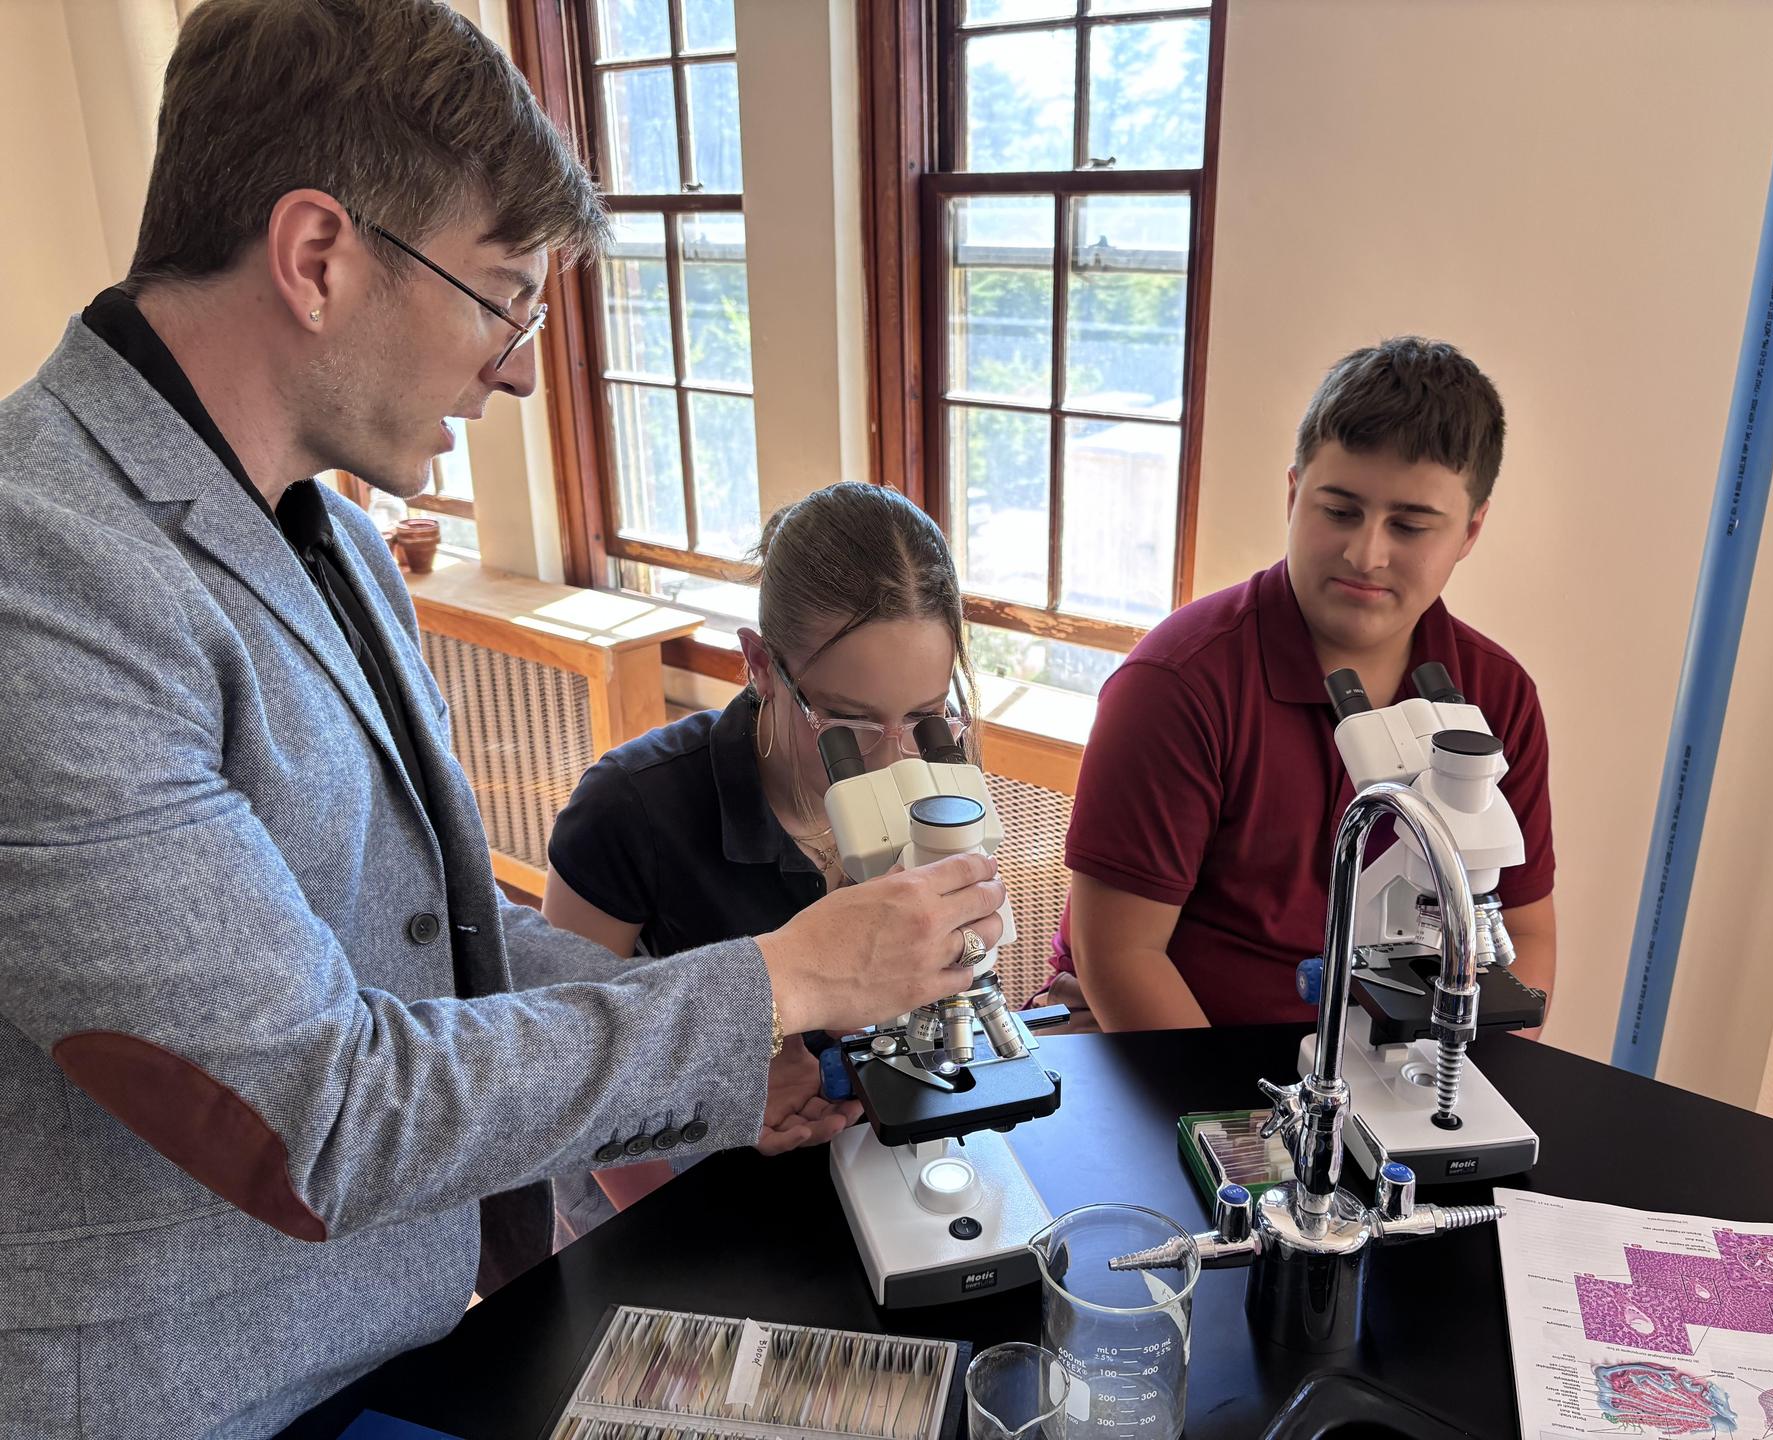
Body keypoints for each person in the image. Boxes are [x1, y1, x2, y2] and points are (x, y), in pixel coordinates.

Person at [0, 4, 1004, 1435]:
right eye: (501, 297)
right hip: (196, 1397)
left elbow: (441, 941)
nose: (524, 367)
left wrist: (726, 1071)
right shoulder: (42, 575)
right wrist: (779, 982)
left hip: (392, 1338)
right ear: (316, 258)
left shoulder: (328, 540)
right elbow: (323, 1113)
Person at [1047, 337, 1555, 1031]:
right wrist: (1244, 1135)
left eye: (1409, 525)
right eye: (1339, 511)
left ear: (1470, 531)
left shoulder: (1497, 698)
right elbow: (1120, 956)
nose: (1365, 554)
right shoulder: (1178, 686)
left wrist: (1458, 1085)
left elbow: (1526, 935)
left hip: (1390, 1067)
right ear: (1293, 494)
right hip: (1170, 1059)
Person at [540, 481, 981, 1235]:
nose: (891, 760)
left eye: (922, 716)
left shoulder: (933, 775)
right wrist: (713, 1091)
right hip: (655, 1177)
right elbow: (560, 1064)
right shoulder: (630, 808)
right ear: (758, 664)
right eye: (847, 721)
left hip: (845, 1155)